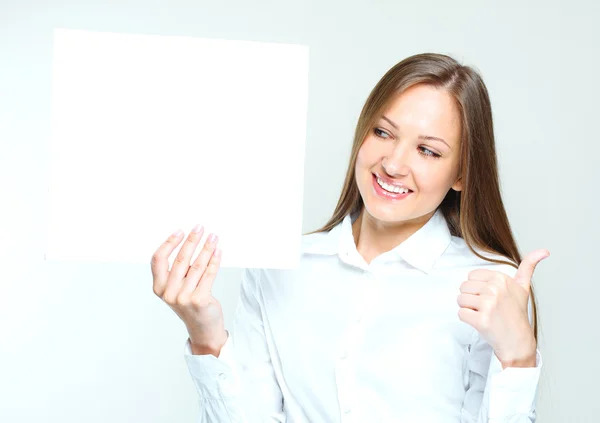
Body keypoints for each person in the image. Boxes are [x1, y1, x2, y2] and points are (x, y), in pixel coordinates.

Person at [150, 52, 549, 422]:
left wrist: (518, 357)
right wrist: (205, 337)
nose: (393, 164)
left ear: (461, 173)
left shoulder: (491, 285)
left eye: (428, 151)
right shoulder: (282, 266)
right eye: (382, 132)